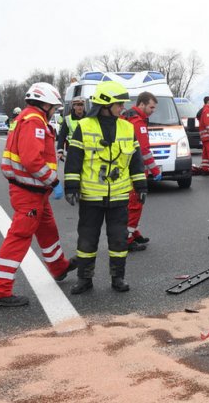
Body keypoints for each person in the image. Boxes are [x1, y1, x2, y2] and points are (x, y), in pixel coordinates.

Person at [0, 83, 75, 307]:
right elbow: (31, 159)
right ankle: (0, 291)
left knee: (48, 229)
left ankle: (59, 267)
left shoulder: (26, 118)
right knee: (19, 237)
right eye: (53, 107)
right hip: (29, 191)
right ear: (44, 104)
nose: (54, 111)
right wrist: (54, 181)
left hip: (35, 190)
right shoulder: (34, 121)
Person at [63, 81, 147, 294]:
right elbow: (74, 159)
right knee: (87, 240)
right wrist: (71, 186)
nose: (123, 107)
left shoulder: (127, 127)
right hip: (91, 196)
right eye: (119, 103)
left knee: (119, 240)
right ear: (106, 103)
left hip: (119, 196)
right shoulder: (84, 126)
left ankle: (118, 278)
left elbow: (136, 160)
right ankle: (84, 279)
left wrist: (140, 185)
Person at [120, 92, 162, 252]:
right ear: (142, 104)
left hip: (126, 168)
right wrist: (155, 170)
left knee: (129, 203)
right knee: (136, 204)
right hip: (136, 171)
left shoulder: (126, 117)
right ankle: (128, 239)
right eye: (151, 107)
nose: (153, 110)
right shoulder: (138, 122)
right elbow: (144, 151)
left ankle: (134, 232)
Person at [56, 96, 86, 160]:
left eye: (81, 105)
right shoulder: (68, 119)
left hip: (86, 150)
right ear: (74, 106)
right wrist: (60, 150)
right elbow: (62, 136)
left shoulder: (88, 119)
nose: (80, 107)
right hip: (71, 151)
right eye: (78, 105)